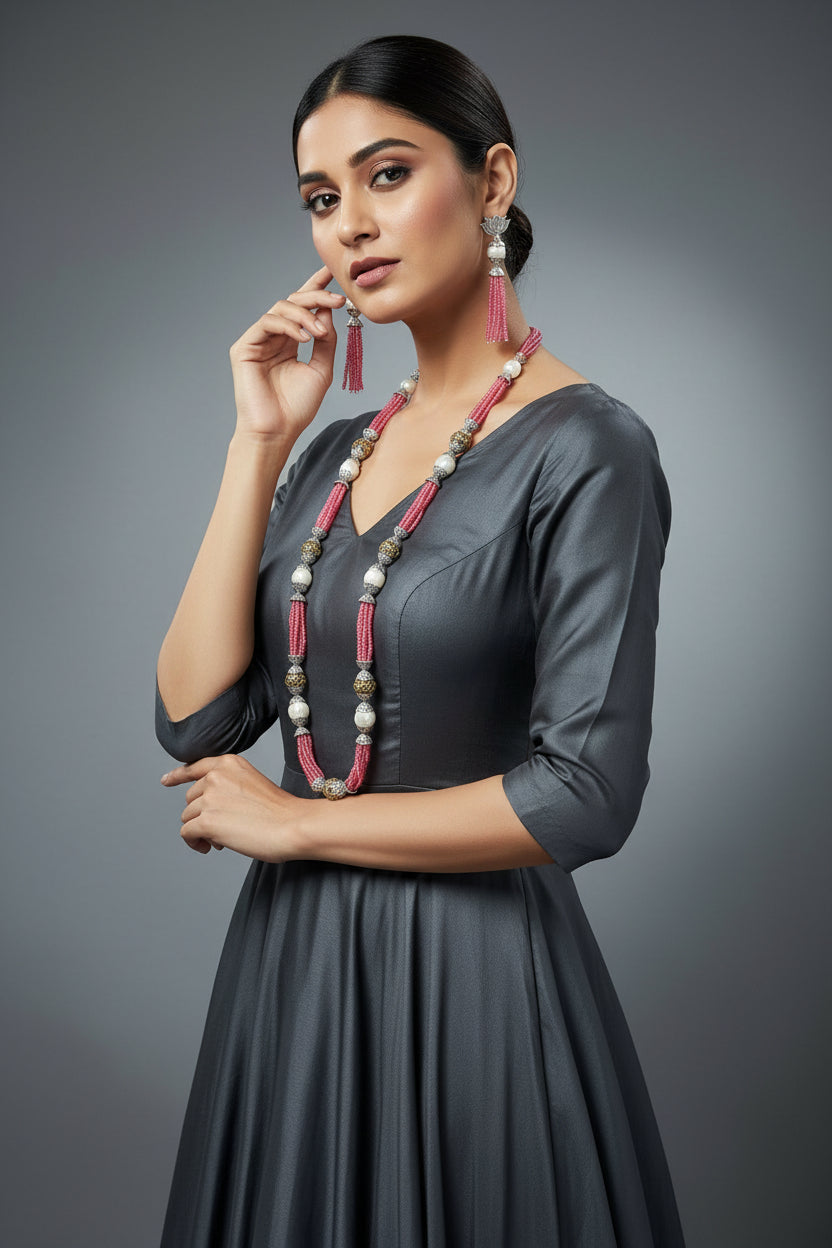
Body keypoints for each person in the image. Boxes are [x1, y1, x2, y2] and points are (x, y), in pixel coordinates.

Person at [155, 33, 687, 1248]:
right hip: (293, 975)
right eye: (321, 197)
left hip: (479, 979)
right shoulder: (334, 452)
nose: (350, 224)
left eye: (387, 175)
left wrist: (296, 823)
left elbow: (585, 795)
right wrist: (259, 444)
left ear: (491, 182)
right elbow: (194, 718)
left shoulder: (589, 447)